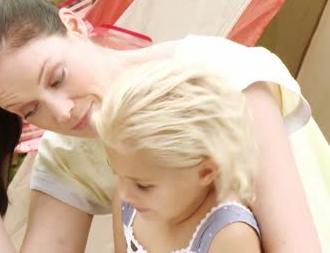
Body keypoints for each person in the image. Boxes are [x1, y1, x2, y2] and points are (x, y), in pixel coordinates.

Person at [0, 0, 321, 252]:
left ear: (75, 27)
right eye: (30, 111)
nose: (61, 113)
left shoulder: (220, 78)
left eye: (57, 78)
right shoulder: (68, 151)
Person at [93, 60, 262, 252]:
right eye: (117, 174)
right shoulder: (129, 200)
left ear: (206, 171)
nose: (123, 193)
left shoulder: (230, 236)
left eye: (144, 186)